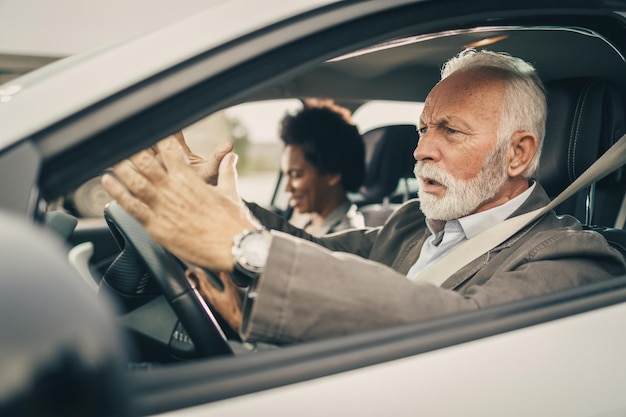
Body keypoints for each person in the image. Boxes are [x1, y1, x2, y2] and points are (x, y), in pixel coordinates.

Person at [102, 49, 626, 346]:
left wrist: (242, 245)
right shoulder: (411, 226)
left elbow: (457, 326)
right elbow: (314, 252)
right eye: (423, 129)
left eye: (450, 131)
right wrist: (217, 202)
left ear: (518, 155)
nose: (421, 150)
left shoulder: (575, 259)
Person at [279, 99, 365, 236]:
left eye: (296, 175)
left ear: (332, 173)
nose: (287, 188)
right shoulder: (306, 220)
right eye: (286, 175)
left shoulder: (347, 239)